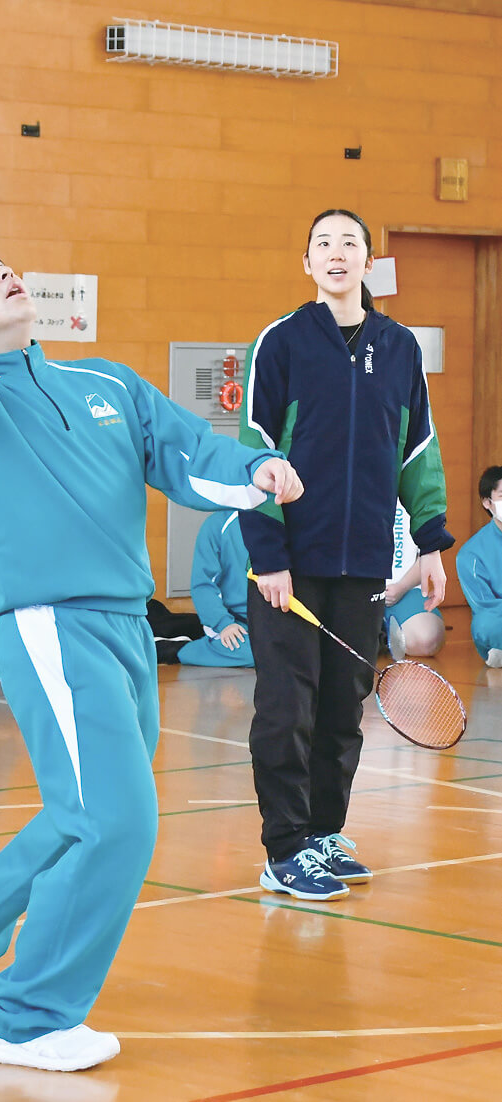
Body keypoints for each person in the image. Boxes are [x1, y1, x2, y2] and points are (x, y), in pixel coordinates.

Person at [0, 211, 303, 1072]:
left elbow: (187, 452)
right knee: (119, 823)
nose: (4, 273)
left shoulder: (110, 383)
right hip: (51, 629)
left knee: (83, 813)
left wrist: (253, 472)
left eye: (2, 262)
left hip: (128, 626)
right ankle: (26, 1019)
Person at [239, 208, 453, 903]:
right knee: (285, 708)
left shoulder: (398, 348)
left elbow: (417, 449)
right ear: (306, 263)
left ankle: (321, 837)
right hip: (288, 566)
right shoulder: (279, 343)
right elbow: (254, 449)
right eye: (323, 244)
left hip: (362, 560)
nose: (336, 254)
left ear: (368, 262)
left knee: (340, 709)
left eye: (349, 243)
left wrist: (429, 542)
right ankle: (282, 849)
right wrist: (267, 552)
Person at [160, 510, 254, 667]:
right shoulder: (218, 524)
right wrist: (223, 623)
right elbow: (203, 585)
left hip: (275, 621)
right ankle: (176, 649)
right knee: (258, 655)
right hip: (235, 621)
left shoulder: (290, 517)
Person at [384, 501, 445, 660]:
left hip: (405, 590)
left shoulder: (419, 498)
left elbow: (429, 556)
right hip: (358, 591)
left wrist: (401, 588)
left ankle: (385, 636)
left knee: (428, 640)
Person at [456, 465, 502, 667]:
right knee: (487, 625)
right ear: (487, 503)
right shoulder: (471, 554)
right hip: (498, 618)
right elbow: (485, 607)